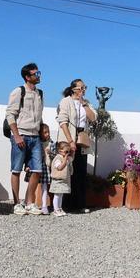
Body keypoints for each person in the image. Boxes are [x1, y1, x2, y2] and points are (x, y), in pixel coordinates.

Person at [6, 62, 45, 215]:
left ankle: (30, 202)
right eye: (36, 74)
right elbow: (10, 114)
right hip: (21, 135)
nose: (39, 76)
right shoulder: (18, 91)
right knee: (16, 170)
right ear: (27, 77)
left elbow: (40, 116)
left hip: (35, 137)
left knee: (37, 170)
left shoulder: (40, 93)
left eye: (38, 73)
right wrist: (16, 135)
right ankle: (17, 203)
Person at [57, 78, 97, 213]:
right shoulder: (65, 101)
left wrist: (84, 104)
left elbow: (93, 119)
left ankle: (80, 204)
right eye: (80, 88)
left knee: (80, 172)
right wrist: (70, 141)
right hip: (69, 139)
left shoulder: (86, 103)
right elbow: (62, 121)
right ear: (73, 89)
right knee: (67, 170)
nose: (83, 90)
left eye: (84, 88)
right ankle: (65, 204)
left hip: (82, 139)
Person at [36, 123, 53, 214]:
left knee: (45, 186)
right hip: (37, 165)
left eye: (48, 132)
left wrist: (50, 153)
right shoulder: (37, 142)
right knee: (33, 184)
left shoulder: (51, 143)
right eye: (45, 132)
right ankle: (30, 203)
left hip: (46, 167)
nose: (47, 134)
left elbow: (55, 154)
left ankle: (44, 206)